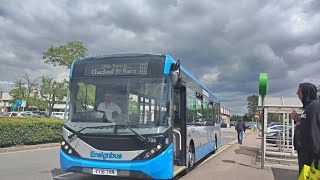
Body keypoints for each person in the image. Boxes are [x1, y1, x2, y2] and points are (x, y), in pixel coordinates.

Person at [291, 82, 320, 175]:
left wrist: (315, 158)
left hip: (311, 158)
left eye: (299, 91)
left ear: (306, 92)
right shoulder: (307, 108)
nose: (297, 93)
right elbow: (305, 126)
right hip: (304, 154)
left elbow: (314, 131)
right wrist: (297, 120)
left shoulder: (315, 107)